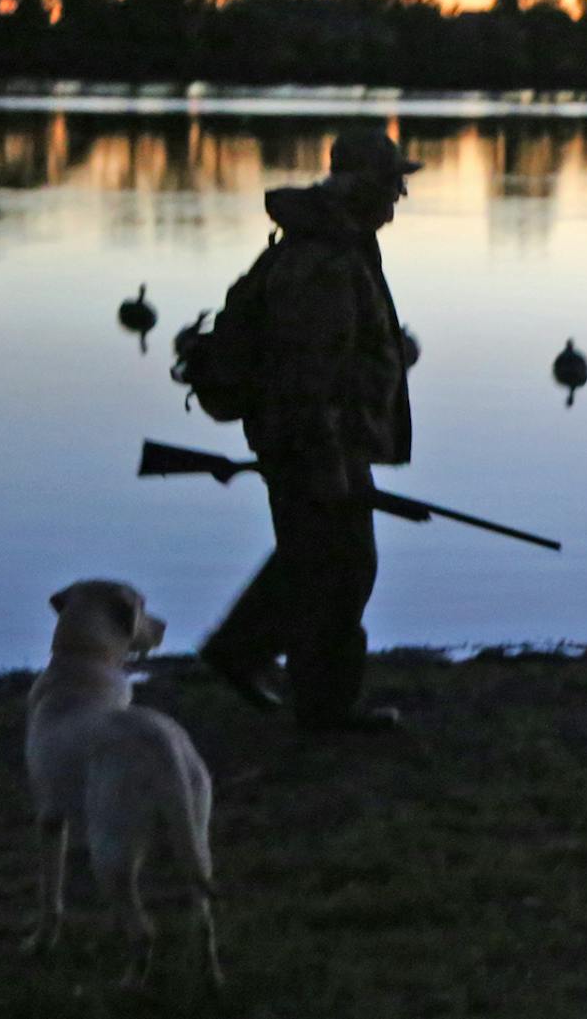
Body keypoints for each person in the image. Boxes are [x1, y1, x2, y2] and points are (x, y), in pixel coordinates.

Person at [198, 130, 419, 733]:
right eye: (392, 184)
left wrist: (389, 356)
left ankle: (249, 656)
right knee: (341, 571)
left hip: (319, 440)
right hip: (314, 442)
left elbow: (337, 353)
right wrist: (328, 459)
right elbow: (308, 371)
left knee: (319, 564)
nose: (399, 197)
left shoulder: (337, 247)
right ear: (362, 188)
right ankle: (321, 711)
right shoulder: (324, 259)